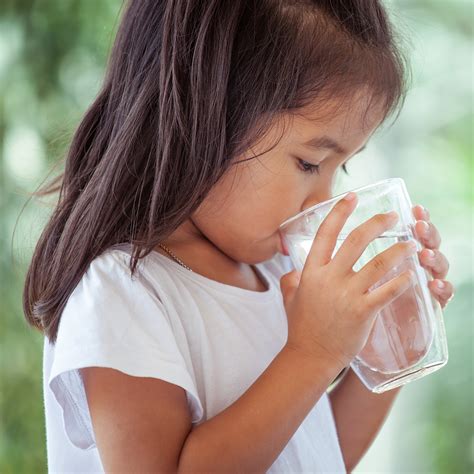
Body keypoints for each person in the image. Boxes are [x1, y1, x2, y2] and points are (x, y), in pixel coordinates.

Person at [23, 1, 454, 472]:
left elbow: (316, 454)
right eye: (310, 163)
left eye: (342, 166)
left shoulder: (275, 272)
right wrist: (313, 354)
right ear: (201, 115)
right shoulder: (125, 291)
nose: (322, 199)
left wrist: (399, 344)